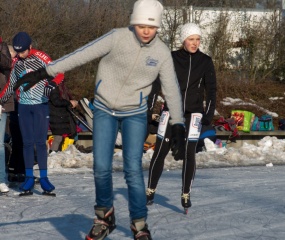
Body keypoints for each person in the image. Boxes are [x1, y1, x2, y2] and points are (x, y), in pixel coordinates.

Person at [13, 0, 186, 239]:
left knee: (133, 170)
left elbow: (172, 88)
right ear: (134, 22)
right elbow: (80, 55)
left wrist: (178, 123)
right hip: (104, 109)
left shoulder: (161, 53)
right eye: (141, 25)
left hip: (135, 113)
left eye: (152, 26)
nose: (146, 31)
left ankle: (139, 224)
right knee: (101, 167)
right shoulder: (116, 37)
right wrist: (43, 72)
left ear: (157, 27)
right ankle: (104, 216)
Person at [146, 22, 217, 214]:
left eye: (198, 39)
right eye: (191, 39)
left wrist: (208, 114)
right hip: (171, 112)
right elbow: (155, 84)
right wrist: (148, 109)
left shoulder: (205, 61)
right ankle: (150, 190)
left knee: (189, 153)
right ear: (183, 40)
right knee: (160, 150)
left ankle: (186, 193)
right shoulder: (170, 58)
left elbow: (211, 90)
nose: (195, 43)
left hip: (193, 113)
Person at [0, 32, 64, 196]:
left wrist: (52, 84)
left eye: (22, 51)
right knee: (26, 143)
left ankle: (44, 178)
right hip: (24, 107)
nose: (20, 55)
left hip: (40, 106)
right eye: (17, 52)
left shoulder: (41, 57)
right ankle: (28, 177)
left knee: (40, 143)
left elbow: (60, 72)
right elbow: (10, 85)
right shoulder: (16, 62)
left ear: (30, 46)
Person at [5, 45, 26, 183]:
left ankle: (17, 169)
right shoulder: (13, 65)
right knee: (20, 139)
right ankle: (18, 169)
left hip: (15, 104)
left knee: (19, 140)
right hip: (16, 104)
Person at [48, 82, 78, 153]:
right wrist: (69, 103)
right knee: (58, 137)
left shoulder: (60, 86)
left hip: (61, 115)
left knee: (60, 137)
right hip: (57, 116)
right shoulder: (54, 86)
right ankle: (53, 155)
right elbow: (56, 101)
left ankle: (55, 154)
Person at [0, 38, 13, 194]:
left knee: (0, 144)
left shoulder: (2, 46)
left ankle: (1, 179)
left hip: (1, 99)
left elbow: (6, 64)